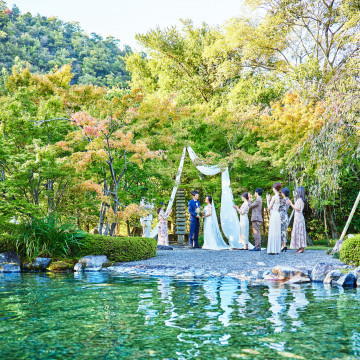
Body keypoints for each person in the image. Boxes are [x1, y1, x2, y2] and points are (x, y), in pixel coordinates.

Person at [287, 186, 307, 253]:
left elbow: (298, 208)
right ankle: (301, 247)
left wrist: (290, 204)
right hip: (299, 217)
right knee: (300, 232)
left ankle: (301, 248)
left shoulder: (299, 200)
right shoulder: (301, 200)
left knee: (299, 231)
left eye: (296, 191)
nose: (295, 193)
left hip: (298, 218)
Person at [266, 182, 282, 255]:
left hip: (274, 214)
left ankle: (272, 249)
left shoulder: (274, 197)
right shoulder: (279, 196)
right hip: (277, 215)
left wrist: (267, 200)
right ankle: (276, 249)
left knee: (273, 231)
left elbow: (269, 207)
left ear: (274, 188)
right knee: (277, 232)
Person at [279, 187, 290, 252]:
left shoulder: (283, 201)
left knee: (281, 231)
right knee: (284, 231)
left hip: (281, 216)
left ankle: (283, 245)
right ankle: (284, 245)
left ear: (283, 193)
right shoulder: (288, 200)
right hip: (286, 215)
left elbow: (277, 206)